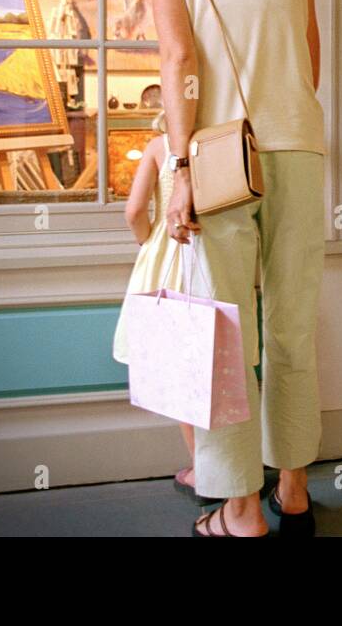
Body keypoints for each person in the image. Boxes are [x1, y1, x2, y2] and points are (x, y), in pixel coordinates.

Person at [148, 0, 326, 537]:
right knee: (292, 324)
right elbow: (307, 69)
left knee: (222, 332)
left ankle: (241, 508)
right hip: (300, 151)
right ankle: (296, 488)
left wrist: (181, 166)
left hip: (222, 159)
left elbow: (178, 64)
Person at [112, 113, 219, 508]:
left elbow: (133, 211)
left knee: (179, 372)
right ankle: (230, 466)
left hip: (166, 253)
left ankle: (203, 469)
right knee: (215, 366)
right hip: (212, 254)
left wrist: (148, 242)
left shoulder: (159, 147)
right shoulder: (218, 141)